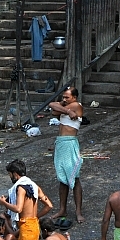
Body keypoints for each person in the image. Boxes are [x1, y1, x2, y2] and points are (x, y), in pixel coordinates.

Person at [48, 87, 85, 224]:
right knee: (62, 178)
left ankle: (78, 212)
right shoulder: (68, 108)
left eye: (67, 97)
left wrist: (65, 108)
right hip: (61, 143)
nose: (64, 100)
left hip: (70, 143)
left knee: (74, 177)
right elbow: (52, 107)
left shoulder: (77, 105)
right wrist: (67, 110)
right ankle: (62, 209)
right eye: (63, 97)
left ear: (74, 98)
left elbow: (55, 108)